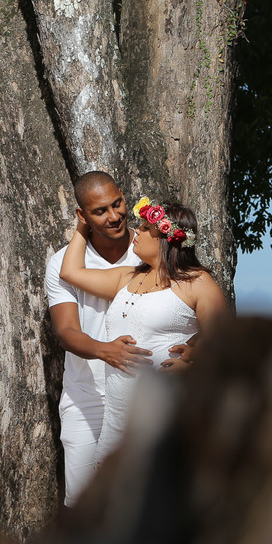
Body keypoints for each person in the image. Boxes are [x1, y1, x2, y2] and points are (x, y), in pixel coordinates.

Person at [60, 195, 228, 466]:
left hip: (167, 415)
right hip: (117, 419)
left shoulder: (198, 283)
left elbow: (227, 342)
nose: (135, 231)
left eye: (144, 228)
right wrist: (83, 226)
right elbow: (70, 272)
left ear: (165, 236)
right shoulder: (127, 277)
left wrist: (194, 363)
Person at [46, 171, 148, 506]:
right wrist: (106, 351)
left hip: (144, 396)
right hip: (85, 398)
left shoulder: (149, 251)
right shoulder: (62, 263)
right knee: (82, 507)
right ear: (82, 216)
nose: (114, 215)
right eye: (100, 211)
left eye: (117, 203)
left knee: (143, 504)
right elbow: (65, 331)